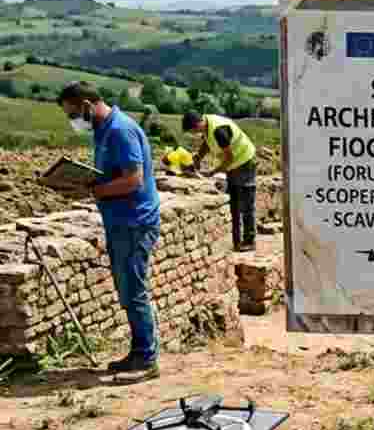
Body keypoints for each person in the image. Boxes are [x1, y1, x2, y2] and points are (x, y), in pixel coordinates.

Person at [57, 81, 161, 378]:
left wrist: (96, 191)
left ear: (87, 105)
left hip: (134, 222)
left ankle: (146, 359)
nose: (73, 120)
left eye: (73, 113)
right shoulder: (104, 131)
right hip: (120, 221)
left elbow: (133, 180)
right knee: (127, 289)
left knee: (134, 289)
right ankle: (139, 352)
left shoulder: (120, 130)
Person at [183, 112, 258, 251]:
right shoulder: (207, 125)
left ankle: (250, 241)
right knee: (234, 202)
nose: (194, 134)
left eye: (193, 131)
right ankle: (237, 242)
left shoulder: (219, 130)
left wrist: (212, 172)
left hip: (245, 161)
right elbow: (207, 142)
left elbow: (229, 158)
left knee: (247, 203)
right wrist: (198, 157)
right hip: (234, 164)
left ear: (198, 124)